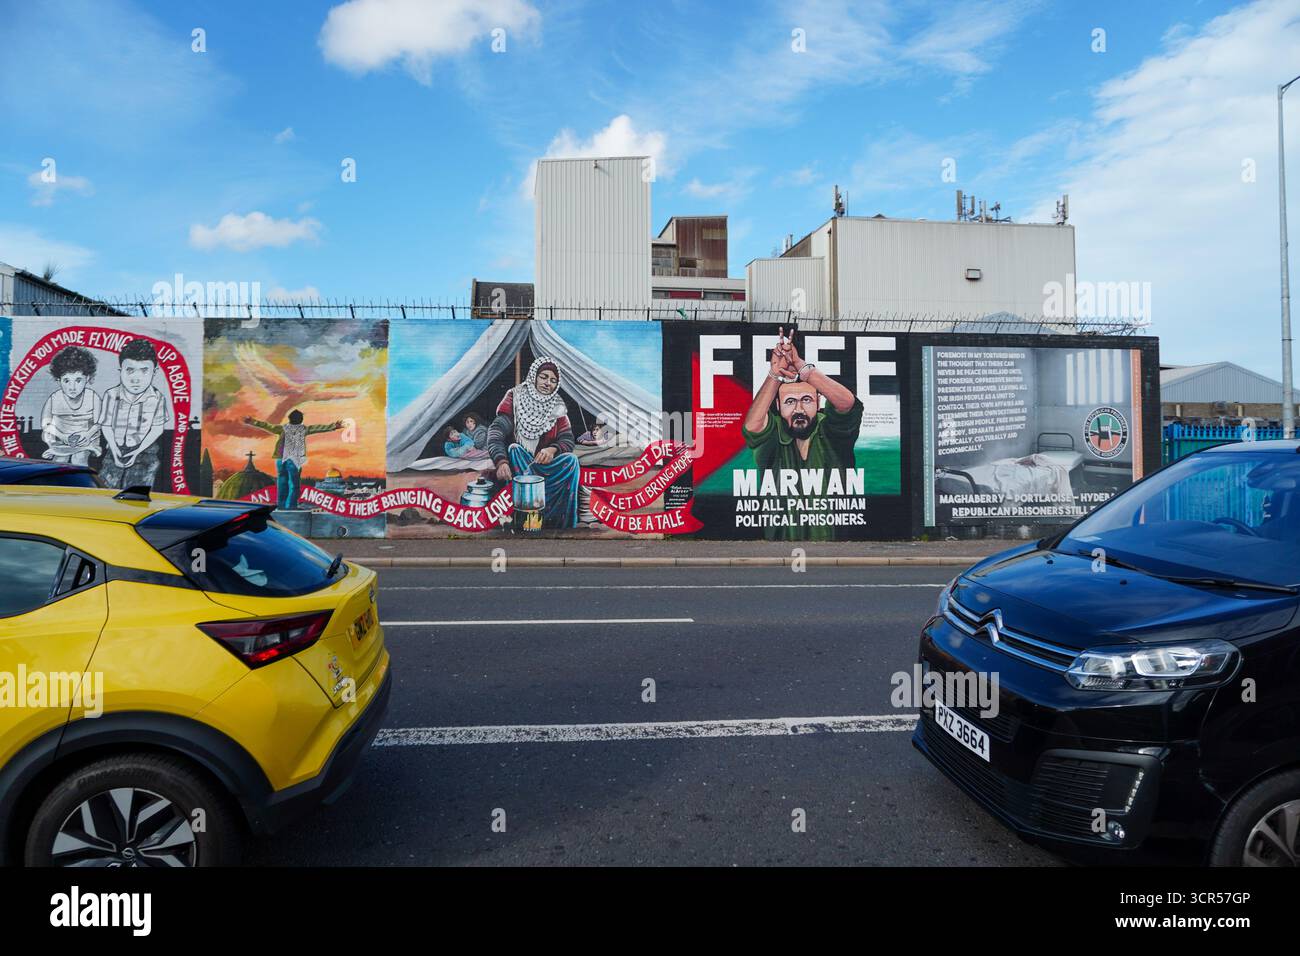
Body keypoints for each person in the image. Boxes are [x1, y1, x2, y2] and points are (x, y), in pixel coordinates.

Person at [741, 327, 864, 541]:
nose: (799, 409)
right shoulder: (775, 433)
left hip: (835, 544)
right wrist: (775, 375)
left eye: (806, 400)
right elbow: (752, 426)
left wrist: (802, 367)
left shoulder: (830, 430)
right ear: (778, 406)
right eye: (790, 402)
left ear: (818, 402)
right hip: (777, 545)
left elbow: (847, 404)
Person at [486, 356, 580, 528]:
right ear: (534, 376)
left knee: (572, 461)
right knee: (514, 448)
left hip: (545, 466)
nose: (547, 383)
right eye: (543, 376)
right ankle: (527, 518)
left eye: (553, 380)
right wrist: (501, 462)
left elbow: (567, 438)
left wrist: (553, 449)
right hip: (520, 466)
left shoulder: (558, 406)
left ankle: (561, 524)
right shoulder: (515, 397)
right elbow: (496, 432)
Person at [99, 338, 169, 489]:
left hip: (145, 452)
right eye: (130, 370)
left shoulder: (157, 399)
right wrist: (114, 449)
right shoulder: (111, 395)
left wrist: (137, 451)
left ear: (154, 372)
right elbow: (106, 425)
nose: (136, 379)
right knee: (106, 489)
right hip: (114, 451)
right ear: (120, 371)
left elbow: (157, 429)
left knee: (136, 492)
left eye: (144, 371)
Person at [244, 410, 344, 510]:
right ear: (301, 420)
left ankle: (281, 506)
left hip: (280, 459)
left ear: (289, 419)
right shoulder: (303, 429)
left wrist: (252, 421)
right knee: (294, 484)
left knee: (282, 483)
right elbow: (318, 428)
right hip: (294, 460)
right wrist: (333, 426)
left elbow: (267, 426)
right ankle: (291, 506)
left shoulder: (282, 429)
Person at [41, 346, 102, 466]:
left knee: (79, 459)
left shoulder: (93, 397)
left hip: (86, 438)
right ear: (59, 380)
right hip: (60, 437)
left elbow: (99, 422)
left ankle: (80, 483)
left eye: (78, 380)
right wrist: (62, 436)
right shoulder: (54, 398)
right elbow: (46, 424)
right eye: (67, 381)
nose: (72, 387)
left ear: (87, 378)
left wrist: (87, 434)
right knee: (59, 461)